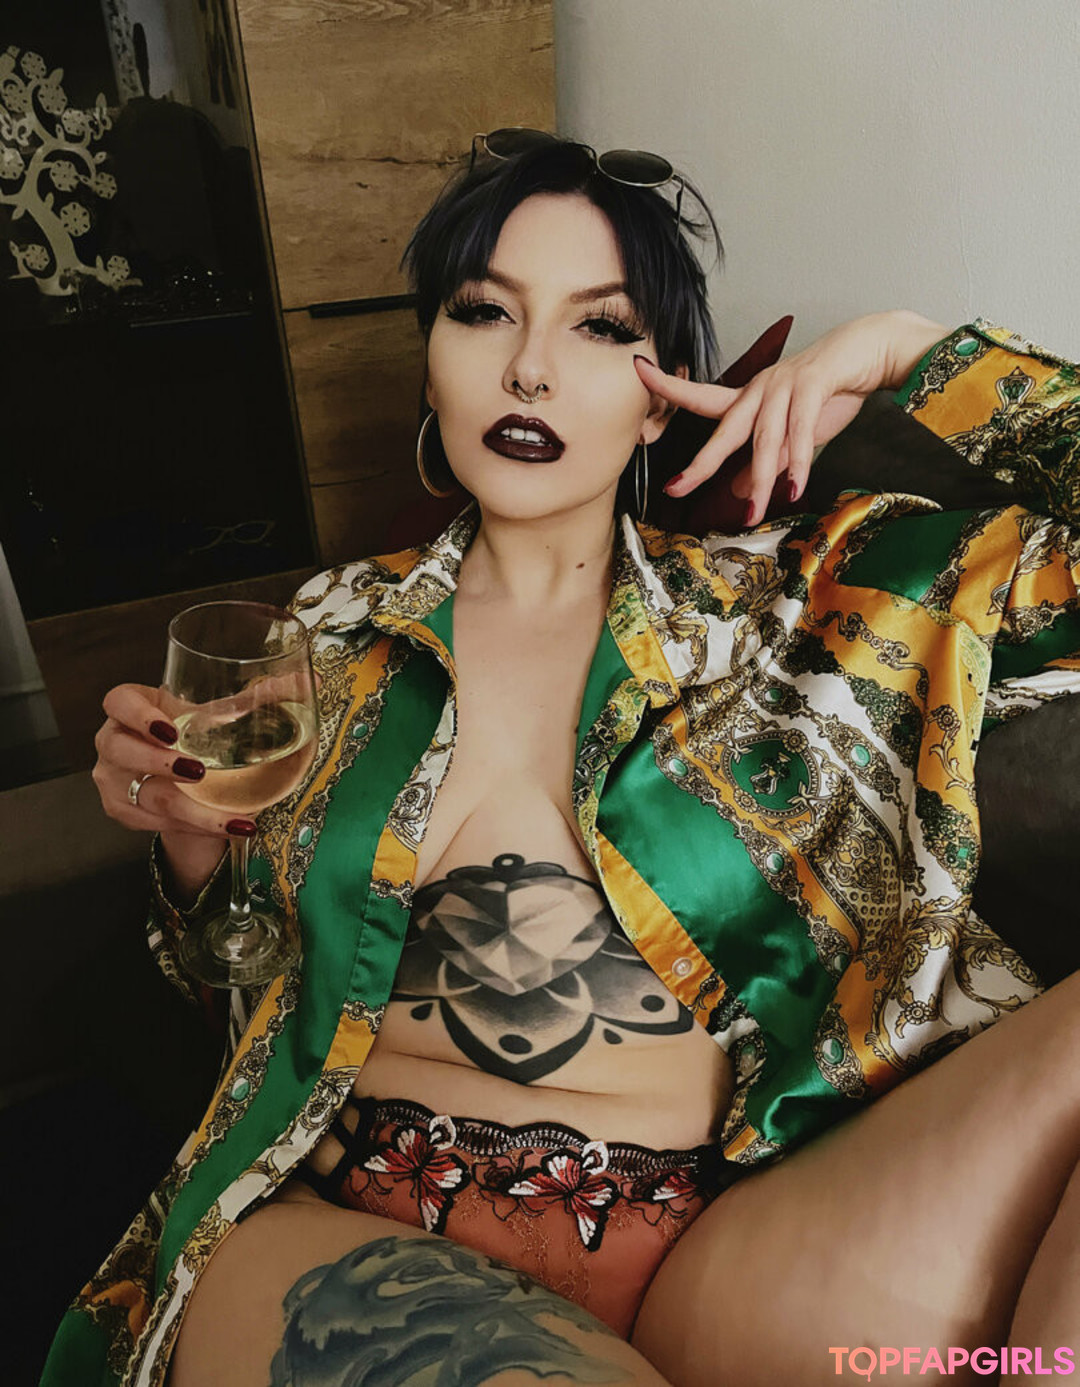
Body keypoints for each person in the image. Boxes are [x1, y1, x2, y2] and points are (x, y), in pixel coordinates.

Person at [43, 134, 1080, 1387]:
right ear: (431, 361)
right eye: (484, 311)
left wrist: (909, 353)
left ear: (662, 395)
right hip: (365, 1227)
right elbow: (233, 990)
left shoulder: (805, 610)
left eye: (599, 327)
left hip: (727, 1250)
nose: (528, 367)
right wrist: (190, 848)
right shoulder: (329, 636)